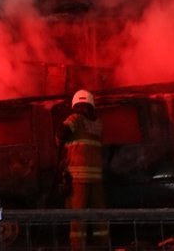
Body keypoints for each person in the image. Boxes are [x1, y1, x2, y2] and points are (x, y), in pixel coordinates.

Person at [58, 89, 107, 250]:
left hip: (78, 178)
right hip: (96, 178)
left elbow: (61, 134)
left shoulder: (75, 119)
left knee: (78, 218)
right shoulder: (98, 123)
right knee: (100, 216)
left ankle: (78, 248)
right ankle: (103, 246)